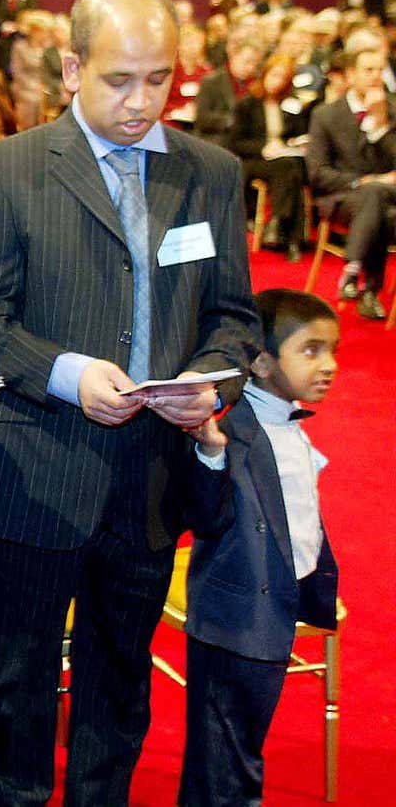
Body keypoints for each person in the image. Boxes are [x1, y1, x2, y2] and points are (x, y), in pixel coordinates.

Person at [0, 0, 258, 806]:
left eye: (158, 79)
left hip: (151, 479)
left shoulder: (212, 174)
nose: (141, 100)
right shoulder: (11, 169)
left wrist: (208, 382)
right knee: (12, 687)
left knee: (119, 690)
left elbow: (235, 318)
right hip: (36, 471)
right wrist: (67, 374)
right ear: (71, 68)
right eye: (120, 80)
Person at [178, 289, 340, 807]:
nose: (329, 365)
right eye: (311, 350)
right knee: (227, 766)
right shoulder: (234, 427)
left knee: (238, 749)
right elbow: (204, 517)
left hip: (273, 610)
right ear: (264, 361)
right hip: (235, 619)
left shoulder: (287, 421)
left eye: (333, 350)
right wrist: (210, 454)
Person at [306, 46, 396, 321]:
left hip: (387, 198)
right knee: (373, 195)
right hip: (341, 197)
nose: (375, 76)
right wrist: (363, 181)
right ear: (350, 75)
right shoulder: (326, 114)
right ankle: (370, 289)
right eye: (368, 70)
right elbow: (318, 173)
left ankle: (353, 271)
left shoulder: (392, 110)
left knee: (377, 198)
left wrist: (381, 125)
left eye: (380, 70)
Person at [231, 53, 313, 261]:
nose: (277, 82)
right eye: (275, 75)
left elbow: (297, 133)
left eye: (283, 78)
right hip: (255, 159)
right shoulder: (247, 104)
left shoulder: (290, 105)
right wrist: (263, 148)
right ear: (265, 74)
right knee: (290, 168)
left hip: (283, 159)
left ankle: (280, 225)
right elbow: (235, 142)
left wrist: (294, 143)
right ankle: (291, 235)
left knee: (292, 166)